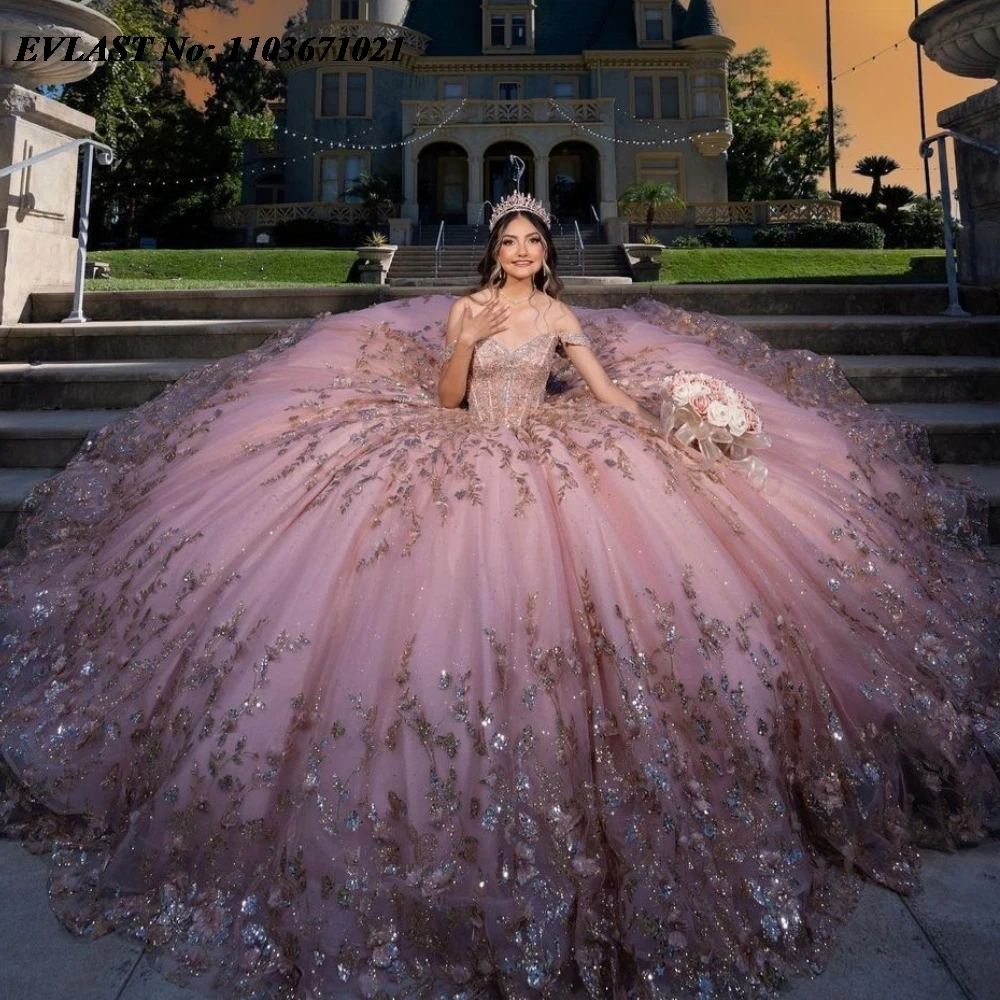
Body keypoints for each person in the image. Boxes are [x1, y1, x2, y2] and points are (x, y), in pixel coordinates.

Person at [0, 192, 997, 1000]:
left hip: (548, 442)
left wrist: (665, 425)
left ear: (545, 252)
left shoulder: (562, 316)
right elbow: (445, 400)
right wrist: (465, 341)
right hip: (463, 438)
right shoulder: (466, 308)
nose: (520, 250)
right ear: (492, 249)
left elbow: (600, 397)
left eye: (532, 240)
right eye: (507, 239)